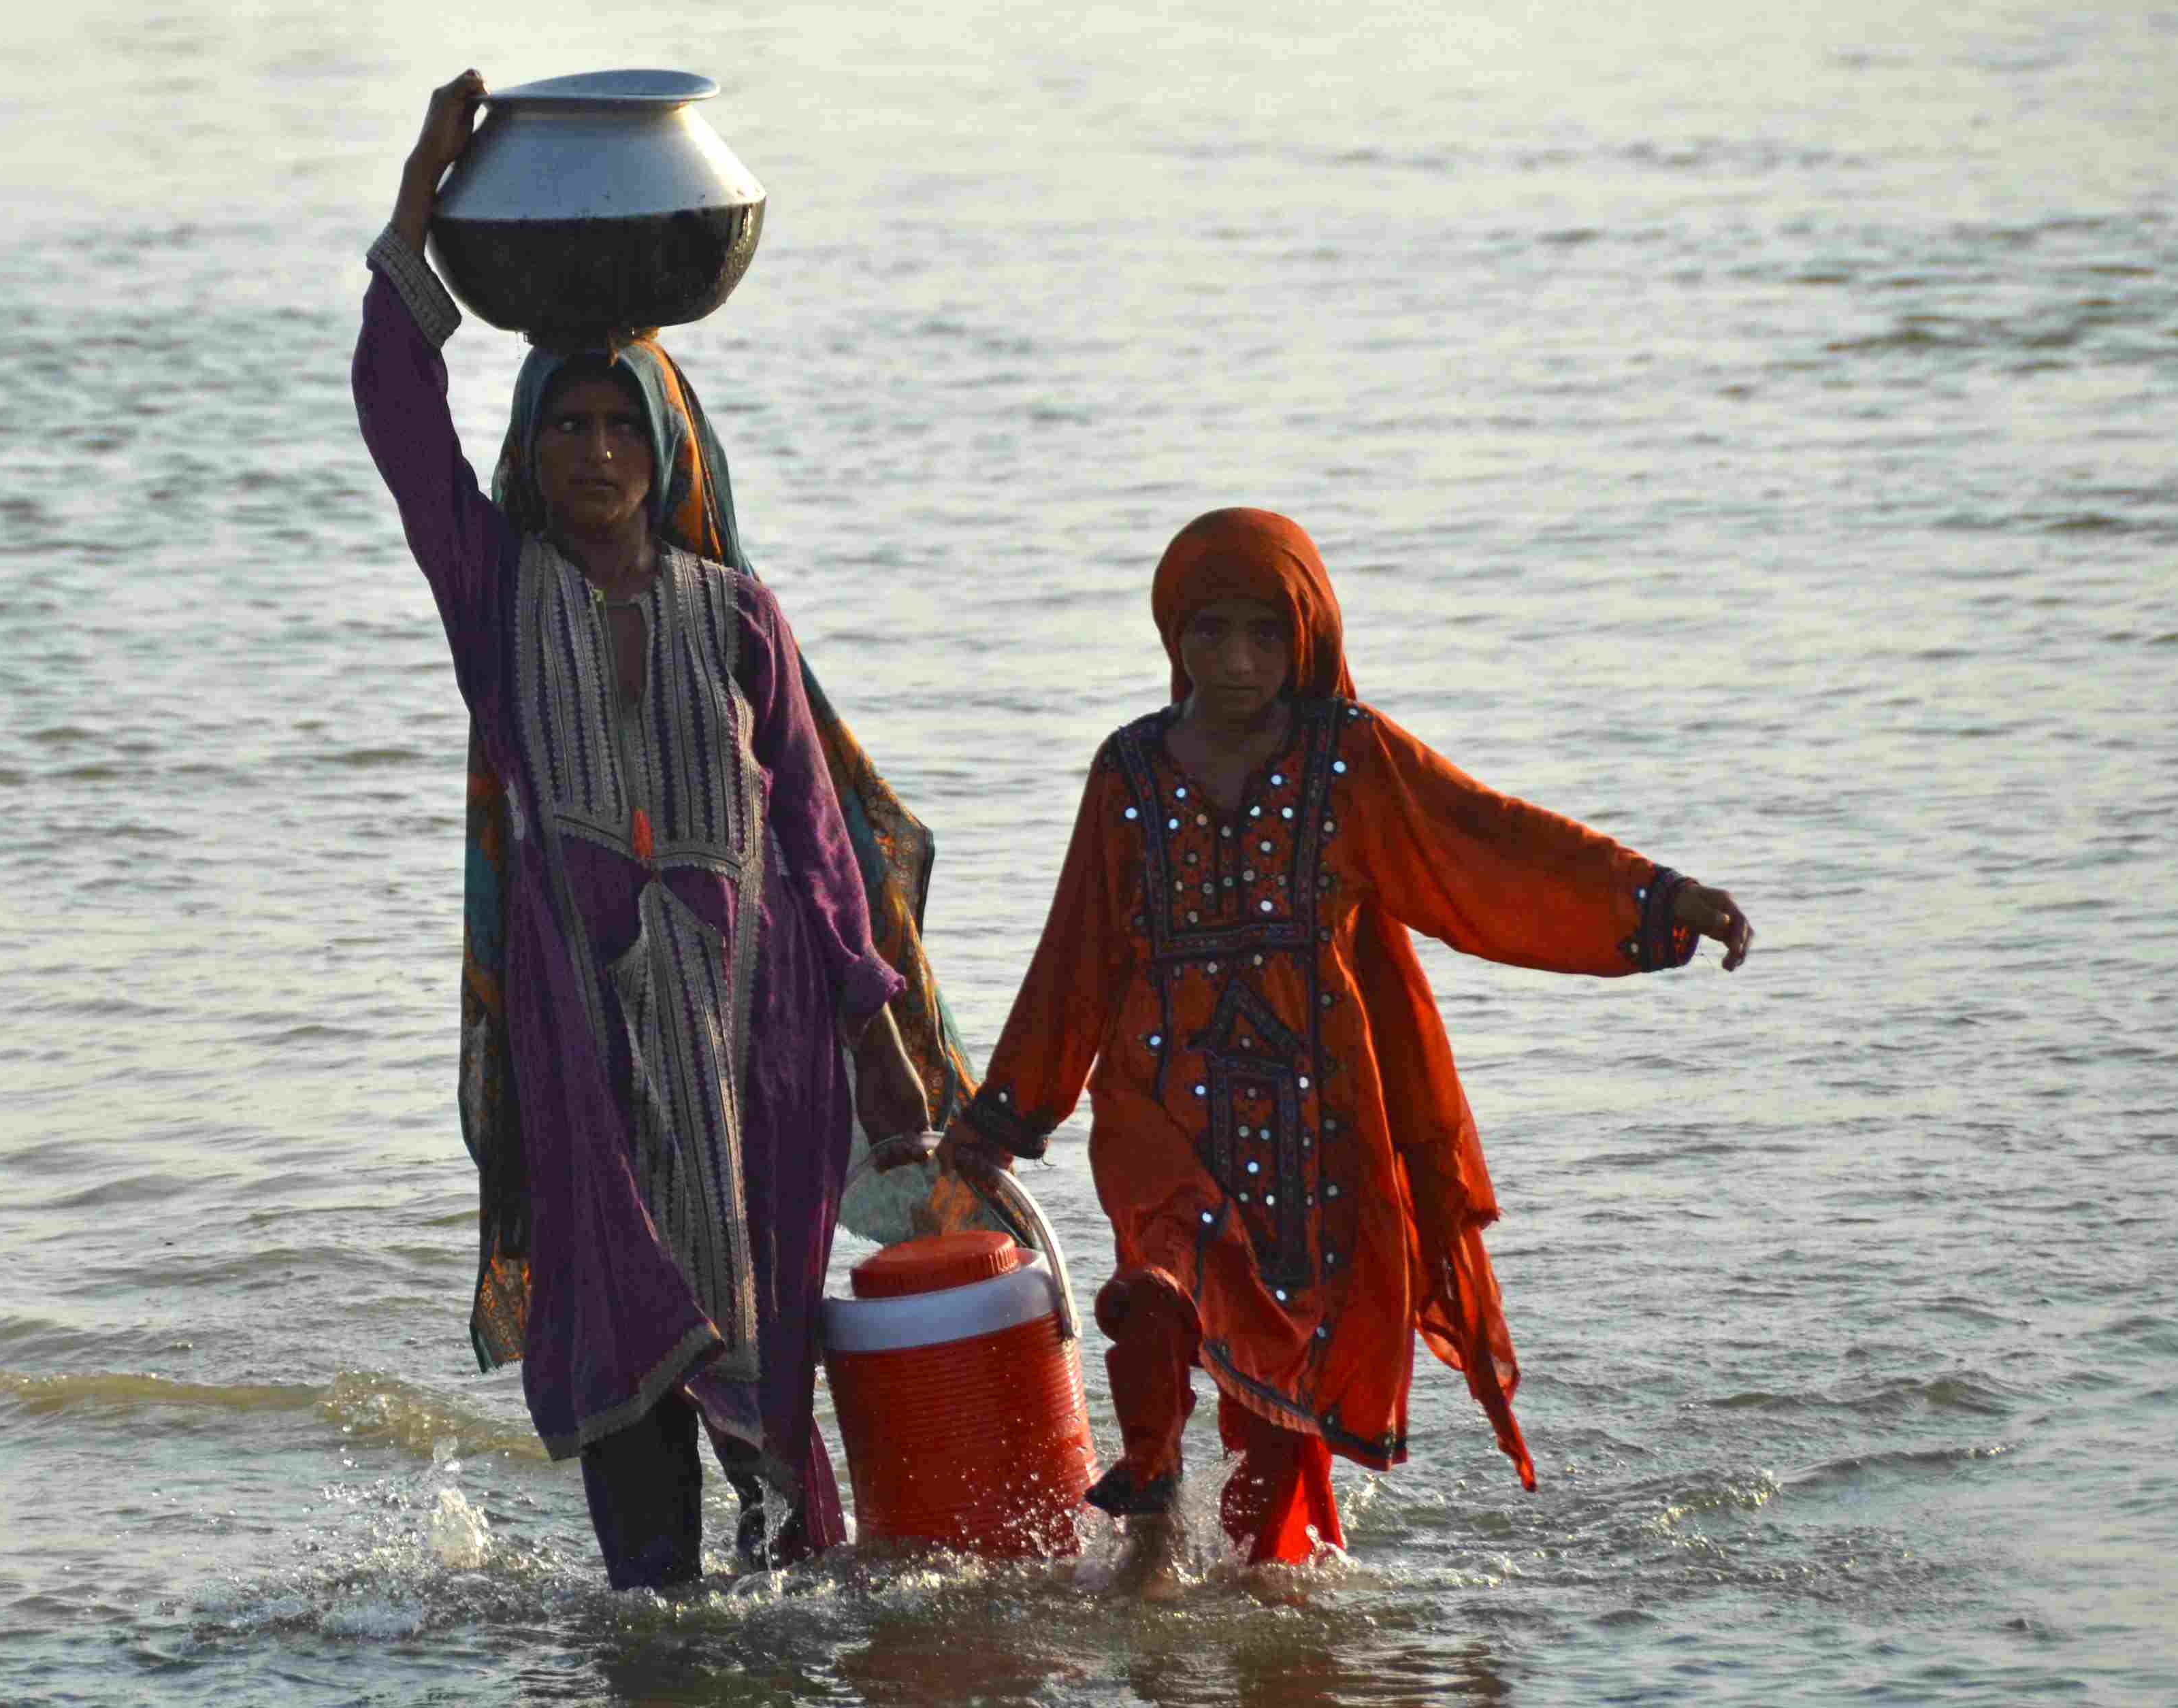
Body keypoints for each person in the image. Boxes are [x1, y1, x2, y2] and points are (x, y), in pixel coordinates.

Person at [352, 68, 971, 1590]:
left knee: (775, 1398)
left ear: (666, 449)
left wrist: (883, 1056)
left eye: (618, 425)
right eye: (562, 426)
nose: (592, 454)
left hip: (755, 1035)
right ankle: (653, 1639)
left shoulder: (735, 615)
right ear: (533, 451)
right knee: (630, 1385)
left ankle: (778, 1634)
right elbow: (389, 405)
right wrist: (420, 202)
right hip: (587, 1044)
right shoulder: (496, 601)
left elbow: (820, 857)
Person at [936, 508, 1753, 1598]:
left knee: (1281, 1373)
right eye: (1210, 633)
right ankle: (1152, 1524)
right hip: (1158, 1107)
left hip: (1314, 1126)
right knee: (1157, 1290)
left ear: (1306, 639)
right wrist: (1004, 1117)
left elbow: (1493, 848)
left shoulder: (1352, 759)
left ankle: (1267, 1588)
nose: (1236, 661)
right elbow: (1075, 956)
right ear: (1172, 638)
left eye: (1264, 636)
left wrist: (1659, 901)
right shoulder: (1127, 771)